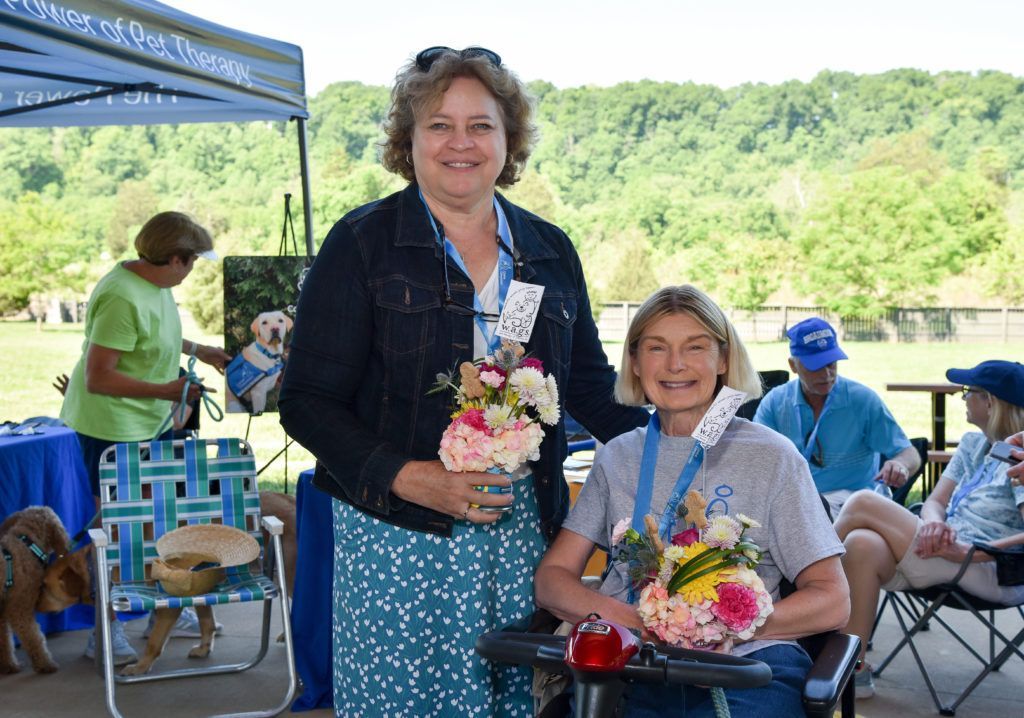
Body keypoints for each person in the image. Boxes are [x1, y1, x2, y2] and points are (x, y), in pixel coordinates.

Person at [277, 47, 648, 717]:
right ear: (408, 140)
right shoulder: (363, 243)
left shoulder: (548, 249)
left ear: (508, 140)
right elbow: (306, 401)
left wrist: (689, 444)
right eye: (439, 125)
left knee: (511, 701)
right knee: (406, 703)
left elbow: (592, 388)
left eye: (481, 125)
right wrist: (409, 476)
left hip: (521, 534)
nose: (461, 143)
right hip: (397, 534)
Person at [534, 285, 850, 718]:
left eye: (695, 347)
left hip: (746, 665)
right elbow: (552, 579)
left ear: (723, 359)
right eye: (656, 348)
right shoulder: (618, 456)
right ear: (634, 363)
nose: (675, 364)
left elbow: (833, 599)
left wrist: (725, 629)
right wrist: (639, 622)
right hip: (633, 664)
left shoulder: (772, 457)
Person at [60, 211, 230, 665]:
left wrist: (200, 350)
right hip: (109, 430)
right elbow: (99, 378)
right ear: (174, 259)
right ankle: (105, 630)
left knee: (161, 523)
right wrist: (169, 390)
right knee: (114, 533)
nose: (191, 270)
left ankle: (169, 601)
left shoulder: (154, 286)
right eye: (191, 262)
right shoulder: (120, 295)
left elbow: (153, 338)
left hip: (148, 425)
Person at [835, 360, 1024, 699]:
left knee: (863, 501)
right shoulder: (973, 443)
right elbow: (936, 501)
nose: (962, 398)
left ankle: (800, 589)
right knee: (861, 544)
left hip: (989, 566)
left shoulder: (1020, 457)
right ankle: (854, 672)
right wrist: (935, 525)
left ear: (991, 402)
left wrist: (971, 551)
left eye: (968, 392)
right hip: (942, 551)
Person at [753, 317, 919, 515]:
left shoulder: (862, 400)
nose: (826, 374)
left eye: (831, 364)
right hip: (796, 504)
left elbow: (911, 454)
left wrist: (899, 464)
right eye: (815, 366)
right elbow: (756, 458)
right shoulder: (775, 403)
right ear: (793, 365)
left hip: (854, 503)